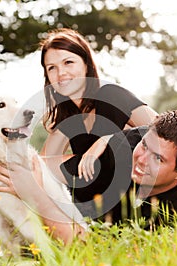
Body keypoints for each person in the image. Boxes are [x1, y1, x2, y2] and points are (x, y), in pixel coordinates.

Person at [0, 109, 177, 242]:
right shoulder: (131, 146)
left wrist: (35, 194)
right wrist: (24, 168)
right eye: (145, 146)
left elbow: (81, 246)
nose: (141, 159)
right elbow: (61, 168)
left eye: (157, 159)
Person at [34, 28, 158, 221]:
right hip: (106, 207)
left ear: (86, 64)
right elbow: (39, 166)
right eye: (52, 67)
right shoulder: (69, 119)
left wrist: (107, 140)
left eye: (68, 62)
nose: (61, 73)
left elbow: (169, 130)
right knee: (42, 169)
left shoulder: (111, 95)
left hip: (145, 194)